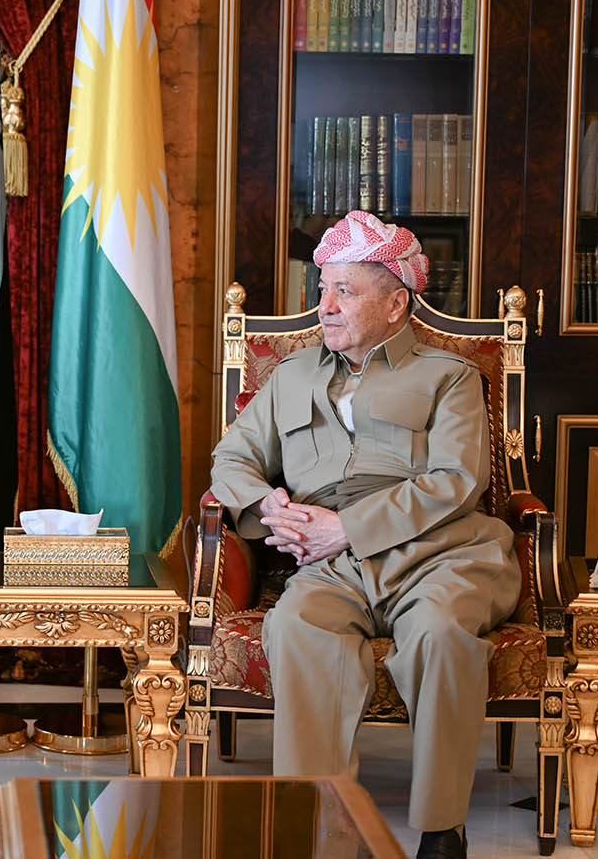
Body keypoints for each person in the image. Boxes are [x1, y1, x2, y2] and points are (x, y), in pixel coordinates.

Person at [209, 211, 519, 859]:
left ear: (396, 302)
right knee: (297, 626)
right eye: (322, 290)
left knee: (440, 633)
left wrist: (346, 527)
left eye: (343, 291)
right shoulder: (288, 378)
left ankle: (441, 830)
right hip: (329, 568)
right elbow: (230, 460)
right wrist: (272, 509)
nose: (324, 307)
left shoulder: (450, 377)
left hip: (443, 556)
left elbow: (458, 479)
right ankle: (323, 819)